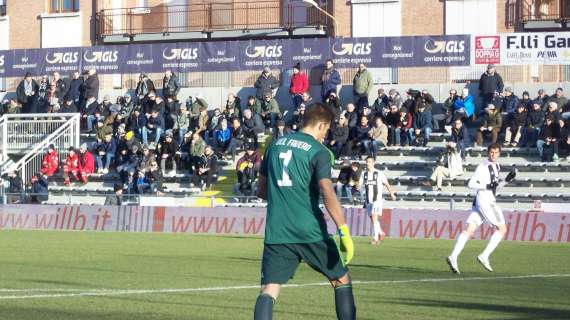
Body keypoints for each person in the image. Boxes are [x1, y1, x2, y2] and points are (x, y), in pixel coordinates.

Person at [253, 103, 355, 320]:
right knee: (340, 279)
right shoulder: (319, 152)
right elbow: (327, 191)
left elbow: (261, 191)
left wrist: (285, 197)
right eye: (326, 130)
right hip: (309, 230)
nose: (325, 136)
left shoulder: (274, 145)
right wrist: (343, 229)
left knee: (269, 288)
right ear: (321, 125)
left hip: (277, 230)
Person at [447, 144, 516, 274]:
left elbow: (494, 187)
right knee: (502, 229)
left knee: (469, 229)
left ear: (499, 154)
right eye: (491, 152)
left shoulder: (497, 167)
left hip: (482, 200)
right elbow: (471, 184)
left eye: (496, 152)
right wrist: (487, 185)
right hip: (486, 201)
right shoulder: (483, 166)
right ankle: (484, 256)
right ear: (487, 153)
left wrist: (507, 180)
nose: (493, 154)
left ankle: (453, 256)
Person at [359, 156, 396, 245]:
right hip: (368, 200)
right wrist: (357, 186)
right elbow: (360, 185)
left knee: (374, 218)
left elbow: (386, 183)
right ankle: (381, 232)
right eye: (367, 162)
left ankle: (375, 238)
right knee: (373, 219)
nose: (367, 163)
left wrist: (391, 193)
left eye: (369, 162)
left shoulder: (379, 173)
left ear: (373, 163)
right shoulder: (364, 174)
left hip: (377, 200)